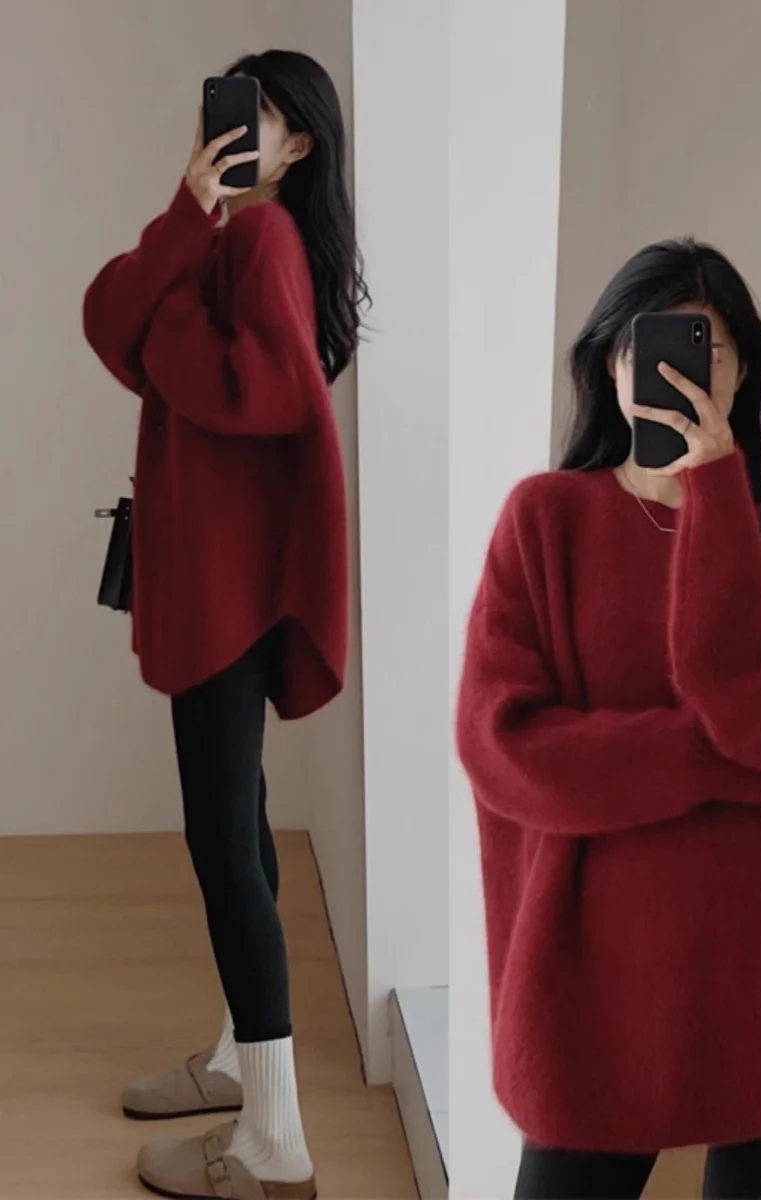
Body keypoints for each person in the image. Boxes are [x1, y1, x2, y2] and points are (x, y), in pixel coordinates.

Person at [455, 238, 761, 1200]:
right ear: (610, 364)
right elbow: (505, 749)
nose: (678, 371)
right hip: (591, 977)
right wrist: (731, 763)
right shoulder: (544, 519)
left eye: (705, 349)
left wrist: (715, 489)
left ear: (743, 371)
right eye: (647, 347)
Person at [83, 49, 367, 1200]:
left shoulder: (262, 242)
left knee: (222, 845)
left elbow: (265, 387)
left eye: (262, 115)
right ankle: (236, 1062)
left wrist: (163, 324)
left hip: (225, 591)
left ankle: (275, 1145)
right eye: (230, 110)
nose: (238, 129)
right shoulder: (225, 234)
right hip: (225, 578)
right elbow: (107, 316)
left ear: (298, 145)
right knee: (240, 822)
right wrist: (184, 211)